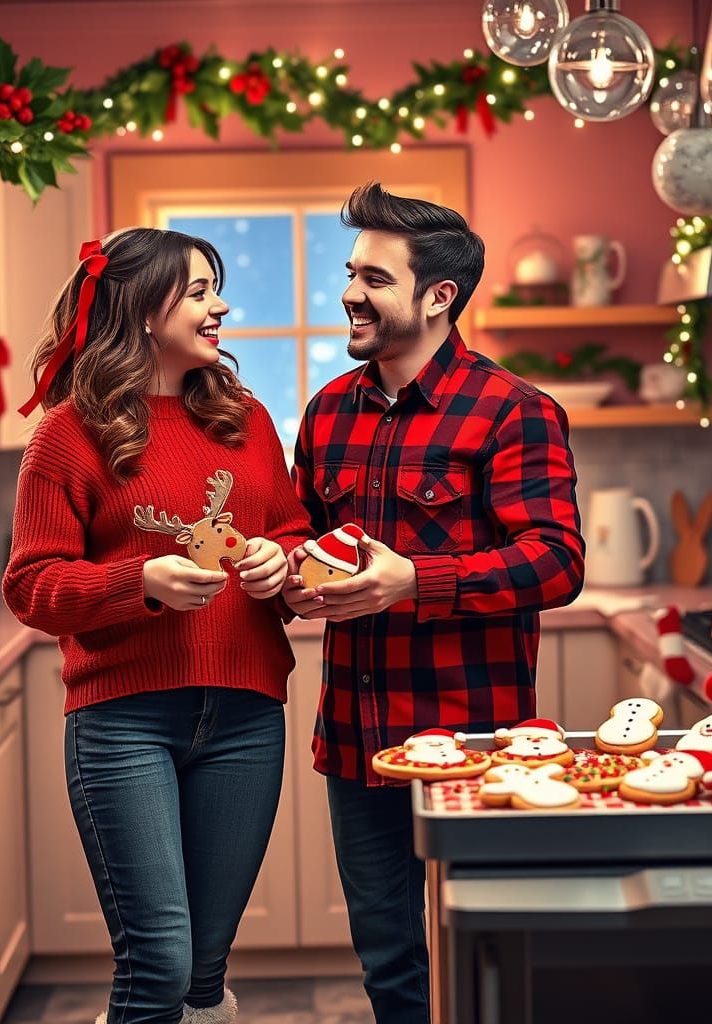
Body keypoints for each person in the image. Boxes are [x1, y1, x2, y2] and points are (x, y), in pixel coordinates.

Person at [282, 183, 585, 1023]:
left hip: (472, 737)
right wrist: (292, 579)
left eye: (374, 278)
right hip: (357, 738)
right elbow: (306, 541)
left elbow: (557, 563)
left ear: (438, 295)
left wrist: (415, 580)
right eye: (351, 273)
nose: (349, 293)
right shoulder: (327, 413)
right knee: (388, 959)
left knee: (484, 943)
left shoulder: (512, 411)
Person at [3, 228, 310, 1024]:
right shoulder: (67, 434)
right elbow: (32, 585)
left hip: (246, 716)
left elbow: (292, 531)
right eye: (201, 291)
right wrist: (136, 581)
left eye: (217, 288)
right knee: (160, 960)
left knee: (205, 967)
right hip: (123, 722)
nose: (222, 307)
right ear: (142, 310)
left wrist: (284, 566)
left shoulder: (247, 419)